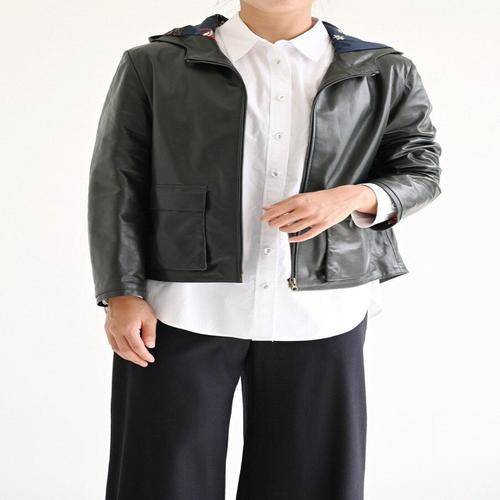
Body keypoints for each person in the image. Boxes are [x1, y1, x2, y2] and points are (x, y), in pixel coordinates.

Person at [87, 1, 442, 499]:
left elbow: (420, 170)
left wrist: (352, 197)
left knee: (310, 483)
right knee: (160, 480)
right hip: (180, 304)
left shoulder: (382, 70)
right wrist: (121, 291)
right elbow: (117, 180)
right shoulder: (156, 63)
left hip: (323, 306)